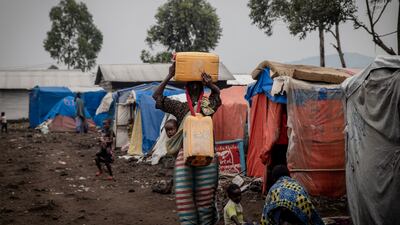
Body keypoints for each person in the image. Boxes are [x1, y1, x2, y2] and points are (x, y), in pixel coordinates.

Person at [153, 62, 222, 225]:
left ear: (201, 88)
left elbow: (218, 96)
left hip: (207, 158)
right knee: (185, 203)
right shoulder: (180, 108)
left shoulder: (206, 107)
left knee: (205, 204)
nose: (194, 89)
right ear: (186, 89)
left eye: (197, 86)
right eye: (191, 86)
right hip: (185, 157)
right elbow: (156, 97)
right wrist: (169, 75)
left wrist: (211, 85)